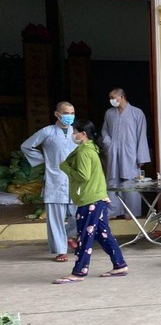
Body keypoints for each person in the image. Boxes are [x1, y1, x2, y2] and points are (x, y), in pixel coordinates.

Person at [54, 119, 128, 284]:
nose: (73, 135)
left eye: (75, 132)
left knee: (84, 238)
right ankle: (120, 265)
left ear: (83, 134)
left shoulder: (84, 152)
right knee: (103, 235)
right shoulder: (90, 149)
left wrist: (65, 167)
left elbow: (83, 176)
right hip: (96, 198)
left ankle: (79, 272)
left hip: (90, 200)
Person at [21, 101, 78, 261]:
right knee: (56, 217)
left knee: (78, 214)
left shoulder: (77, 132)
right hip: (55, 178)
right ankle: (61, 250)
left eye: (72, 113)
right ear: (57, 114)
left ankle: (68, 236)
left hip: (75, 179)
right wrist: (43, 160)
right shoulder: (47, 132)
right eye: (66, 113)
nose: (70, 116)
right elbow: (27, 146)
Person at [102, 88, 150, 218]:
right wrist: (108, 143)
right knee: (113, 180)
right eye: (110, 98)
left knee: (130, 181)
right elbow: (104, 131)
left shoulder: (137, 113)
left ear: (121, 97)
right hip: (113, 152)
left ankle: (131, 212)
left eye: (113, 97)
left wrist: (142, 156)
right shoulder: (109, 113)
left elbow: (142, 135)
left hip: (130, 152)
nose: (111, 100)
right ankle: (113, 211)